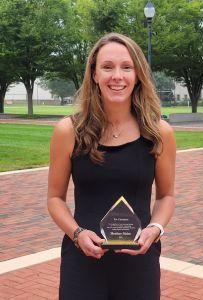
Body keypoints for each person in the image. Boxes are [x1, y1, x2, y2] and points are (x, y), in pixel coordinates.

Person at [47, 32, 176, 300]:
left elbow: (166, 196)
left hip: (138, 263)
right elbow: (54, 199)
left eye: (126, 67)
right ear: (94, 74)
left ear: (137, 74)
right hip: (82, 262)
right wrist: (77, 233)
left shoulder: (159, 132)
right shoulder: (68, 131)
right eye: (107, 67)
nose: (117, 76)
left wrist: (155, 229)